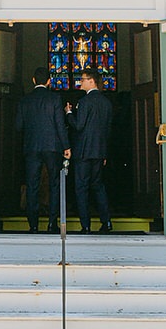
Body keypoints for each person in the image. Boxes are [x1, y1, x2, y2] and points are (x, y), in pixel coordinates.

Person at [15, 66, 71, 233]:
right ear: (49, 81)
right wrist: (66, 146)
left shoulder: (25, 100)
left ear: (33, 80)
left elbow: (18, 126)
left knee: (32, 185)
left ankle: (33, 225)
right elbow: (60, 125)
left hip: (32, 146)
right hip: (52, 147)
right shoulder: (54, 98)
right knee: (54, 184)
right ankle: (52, 223)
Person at [67, 65, 113, 233]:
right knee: (98, 186)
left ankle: (85, 225)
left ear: (91, 81)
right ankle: (106, 221)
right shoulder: (107, 103)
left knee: (81, 187)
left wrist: (69, 114)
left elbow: (79, 126)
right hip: (100, 151)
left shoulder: (84, 102)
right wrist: (105, 153)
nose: (80, 82)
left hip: (84, 152)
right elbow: (108, 130)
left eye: (83, 79)